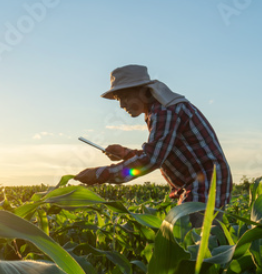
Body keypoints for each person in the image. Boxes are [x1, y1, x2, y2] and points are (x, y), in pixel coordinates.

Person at [74, 65, 232, 225]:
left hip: (204, 185)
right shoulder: (159, 109)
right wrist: (124, 153)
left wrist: (99, 175)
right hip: (200, 184)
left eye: (124, 97)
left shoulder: (165, 111)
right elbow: (161, 153)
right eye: (118, 99)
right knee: (188, 240)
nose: (121, 105)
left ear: (143, 91)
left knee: (190, 241)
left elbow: (151, 159)